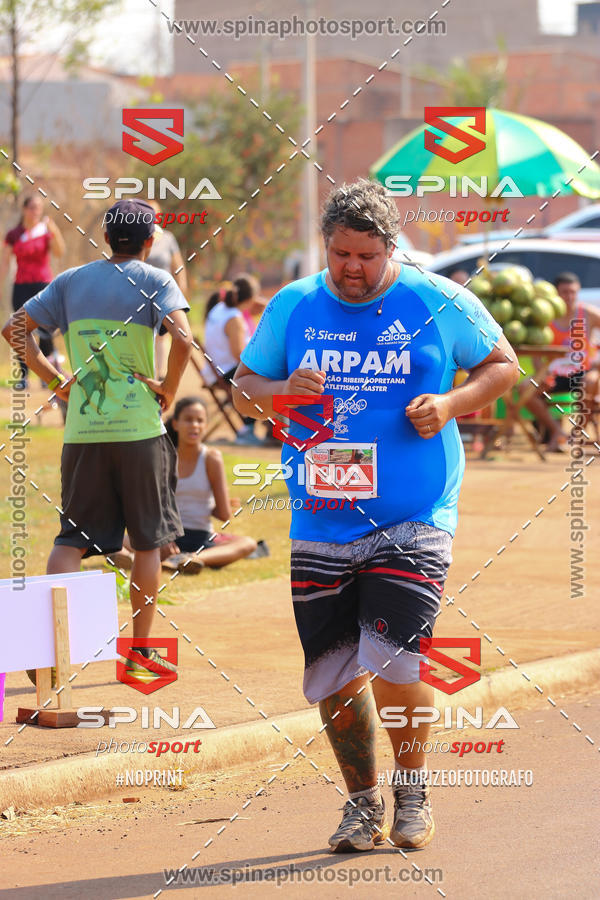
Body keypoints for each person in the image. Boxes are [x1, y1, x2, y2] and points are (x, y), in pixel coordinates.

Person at [232, 178, 518, 853]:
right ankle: (362, 805)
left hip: (414, 514)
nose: (351, 269)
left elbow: (502, 366)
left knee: (396, 657)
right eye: (339, 255)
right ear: (324, 248)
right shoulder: (295, 305)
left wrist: (450, 404)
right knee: (334, 670)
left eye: (364, 256)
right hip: (320, 515)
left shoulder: (436, 299)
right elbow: (245, 386)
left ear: (390, 247)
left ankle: (412, 793)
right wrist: (278, 393)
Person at [1, 199, 192, 670]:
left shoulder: (70, 281)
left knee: (71, 540)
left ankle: (46, 651)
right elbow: (185, 340)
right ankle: (138, 652)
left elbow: (14, 329)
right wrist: (168, 388)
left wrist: (53, 379)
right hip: (140, 433)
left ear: (106, 238)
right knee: (148, 543)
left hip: (83, 431)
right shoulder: (155, 279)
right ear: (151, 242)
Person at [113, 396, 257, 573]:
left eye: (200, 421)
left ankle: (189, 559)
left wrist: (214, 506)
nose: (194, 425)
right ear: (175, 424)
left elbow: (224, 515)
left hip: (201, 538)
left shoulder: (212, 459)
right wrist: (162, 537)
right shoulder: (162, 458)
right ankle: (143, 558)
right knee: (114, 538)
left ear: (205, 425)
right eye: (188, 420)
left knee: (248, 543)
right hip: (166, 538)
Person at [523, 272, 600, 451]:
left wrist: (597, 363)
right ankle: (557, 432)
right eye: (565, 292)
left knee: (591, 382)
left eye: (573, 292)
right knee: (526, 387)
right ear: (556, 294)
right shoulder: (545, 316)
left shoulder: (587, 313)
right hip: (553, 374)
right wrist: (540, 371)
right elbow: (535, 350)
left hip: (583, 372)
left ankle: (575, 436)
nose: (569, 297)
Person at [0, 195, 66, 387]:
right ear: (25, 210)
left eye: (39, 208)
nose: (36, 212)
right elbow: (5, 261)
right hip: (21, 286)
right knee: (20, 330)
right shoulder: (14, 234)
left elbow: (59, 252)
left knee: (45, 331)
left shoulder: (46, 231)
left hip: (43, 285)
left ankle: (49, 376)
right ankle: (23, 376)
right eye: (32, 208)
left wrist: (54, 232)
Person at [203, 282, 261, 444]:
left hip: (213, 371)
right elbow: (240, 355)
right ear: (251, 299)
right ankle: (249, 429)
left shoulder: (218, 309)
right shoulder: (234, 318)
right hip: (226, 372)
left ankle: (264, 427)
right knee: (266, 375)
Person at [145, 199, 189, 379]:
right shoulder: (139, 238)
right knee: (147, 333)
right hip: (142, 292)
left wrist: (182, 288)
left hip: (164, 293)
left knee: (163, 334)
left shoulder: (168, 238)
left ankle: (160, 373)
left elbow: (177, 266)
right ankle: (148, 370)